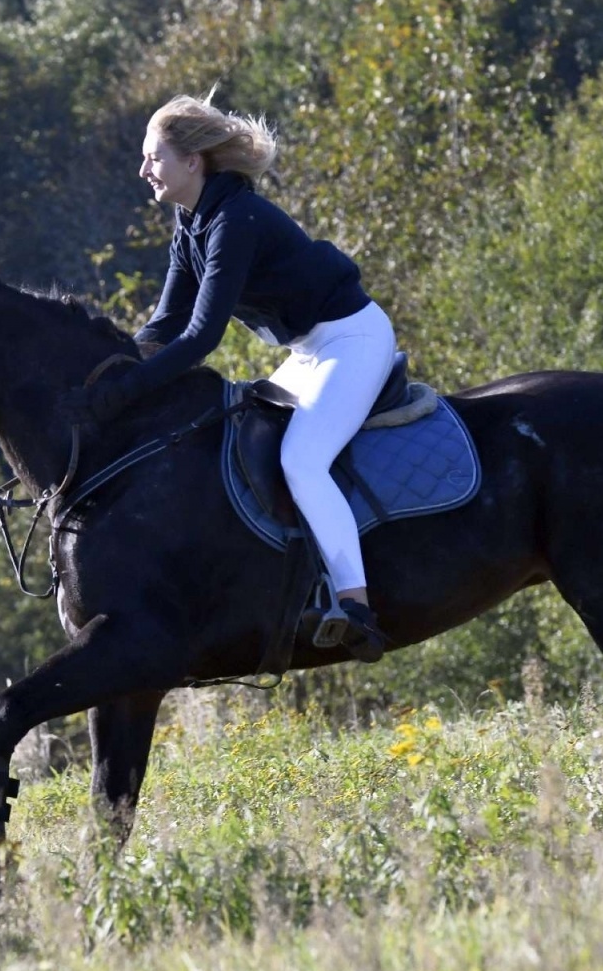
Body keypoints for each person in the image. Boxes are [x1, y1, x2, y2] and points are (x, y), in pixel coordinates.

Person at [61, 92, 393, 662]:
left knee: (302, 461)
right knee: (248, 444)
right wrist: (105, 371)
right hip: (309, 349)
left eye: (154, 157)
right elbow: (165, 323)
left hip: (353, 341)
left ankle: (354, 603)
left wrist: (128, 391)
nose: (144, 170)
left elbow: (200, 339)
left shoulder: (233, 220)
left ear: (194, 162)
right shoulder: (191, 219)